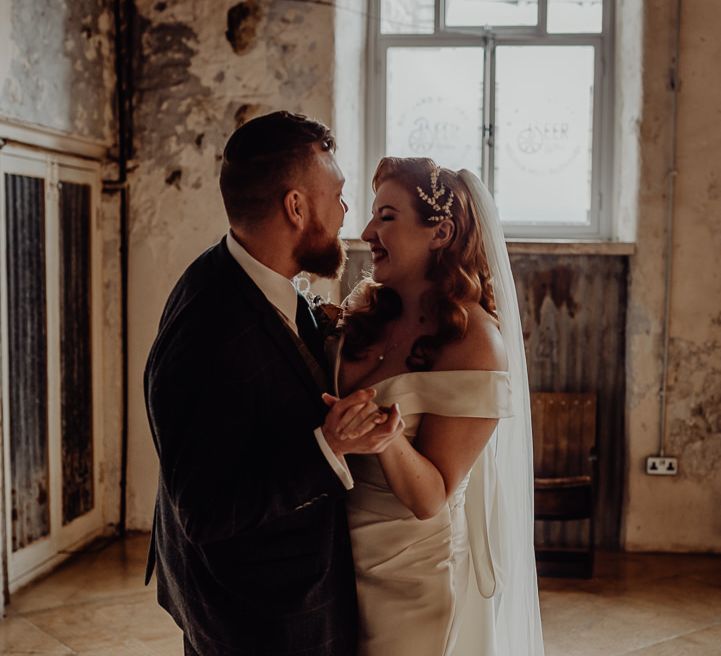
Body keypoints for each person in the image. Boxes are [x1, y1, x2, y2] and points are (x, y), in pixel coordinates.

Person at [143, 111, 404, 656]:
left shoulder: (239, 275)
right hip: (255, 615)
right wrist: (328, 448)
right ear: (295, 207)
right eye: (337, 195)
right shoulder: (209, 330)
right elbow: (205, 510)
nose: (344, 213)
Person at [331, 157, 544, 655]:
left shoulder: (475, 342)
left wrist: (387, 441)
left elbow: (432, 498)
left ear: (440, 232)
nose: (366, 232)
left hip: (407, 574)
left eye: (386, 217)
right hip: (330, 556)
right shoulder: (366, 308)